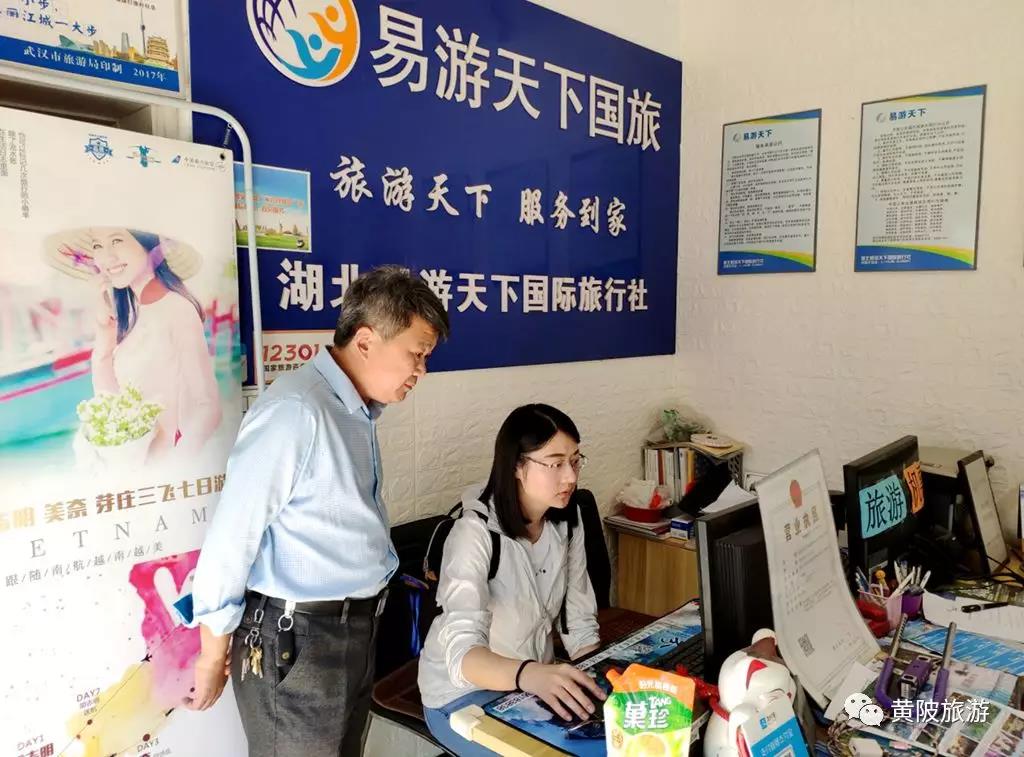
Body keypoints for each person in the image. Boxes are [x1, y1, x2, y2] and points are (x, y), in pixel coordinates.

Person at [184, 265, 449, 757]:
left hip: (350, 633)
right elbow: (232, 538)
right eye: (416, 354)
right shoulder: (297, 412)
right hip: (298, 641)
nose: (421, 371)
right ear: (366, 341)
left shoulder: (352, 410)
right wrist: (212, 654)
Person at [418, 404, 606, 756]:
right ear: (517, 466)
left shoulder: (567, 520)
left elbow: (579, 621)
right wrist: (528, 674)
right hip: (461, 697)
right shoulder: (474, 533)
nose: (570, 477)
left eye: (575, 461)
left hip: (532, 684)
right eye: (555, 464)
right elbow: (462, 658)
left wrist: (604, 684)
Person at [46, 226, 220, 458]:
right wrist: (104, 337)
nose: (107, 257)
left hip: (168, 462)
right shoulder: (131, 315)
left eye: (117, 241)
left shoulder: (177, 309)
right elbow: (112, 402)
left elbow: (207, 407)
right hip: (137, 463)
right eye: (97, 245)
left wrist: (176, 465)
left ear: (150, 244)